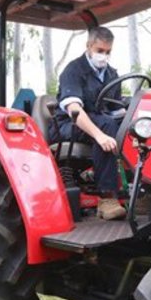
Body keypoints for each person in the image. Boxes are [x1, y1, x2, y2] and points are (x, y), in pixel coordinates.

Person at [49, 26, 126, 220]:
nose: (104, 56)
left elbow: (116, 108)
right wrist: (100, 136)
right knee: (106, 125)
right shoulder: (73, 70)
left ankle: (138, 191)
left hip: (98, 121)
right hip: (67, 126)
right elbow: (74, 109)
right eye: (100, 51)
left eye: (108, 52)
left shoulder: (111, 74)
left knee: (132, 124)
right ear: (89, 46)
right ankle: (106, 198)